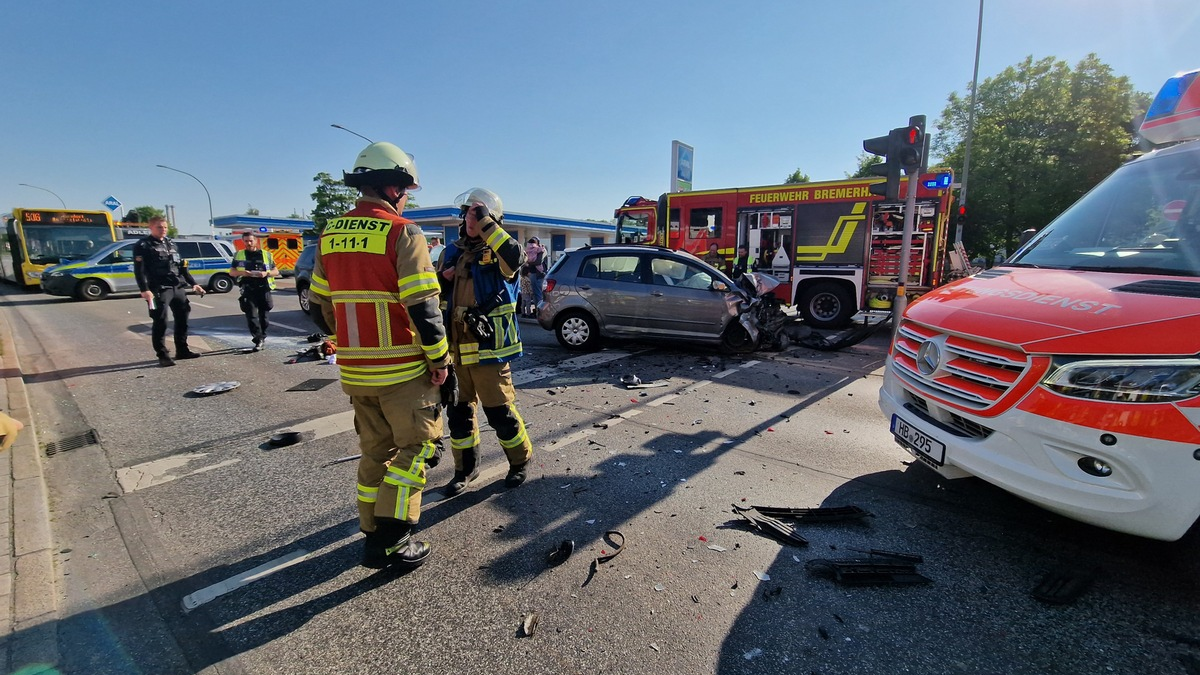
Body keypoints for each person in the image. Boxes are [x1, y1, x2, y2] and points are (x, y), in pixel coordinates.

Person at [309, 141, 450, 570]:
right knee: (420, 450)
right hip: (403, 372)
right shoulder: (402, 232)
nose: (406, 198)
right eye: (406, 190)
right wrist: (440, 361)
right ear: (392, 186)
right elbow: (424, 308)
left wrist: (350, 340)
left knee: (376, 452)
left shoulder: (330, 235)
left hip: (356, 373)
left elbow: (318, 307)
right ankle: (393, 539)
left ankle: (371, 533)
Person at [438, 187, 533, 496]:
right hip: (455, 349)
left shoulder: (500, 251)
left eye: (477, 213)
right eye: (467, 212)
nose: (470, 218)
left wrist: (487, 223)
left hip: (490, 349)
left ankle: (519, 462)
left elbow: (515, 258)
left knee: (499, 413)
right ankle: (465, 470)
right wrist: (442, 280)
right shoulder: (450, 252)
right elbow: (432, 297)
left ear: (492, 219)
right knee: (459, 414)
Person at [133, 216, 206, 367]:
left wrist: (194, 284)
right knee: (161, 321)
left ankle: (182, 350)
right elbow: (138, 271)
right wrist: (144, 290)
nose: (163, 230)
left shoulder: (171, 243)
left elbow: (181, 267)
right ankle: (163, 355)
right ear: (151, 228)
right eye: (160, 227)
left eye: (165, 227)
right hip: (159, 288)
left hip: (177, 287)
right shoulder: (143, 245)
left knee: (182, 319)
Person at [229, 232, 279, 351]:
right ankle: (258, 339)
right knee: (251, 316)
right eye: (246, 241)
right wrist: (243, 273)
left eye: (251, 241)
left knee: (264, 317)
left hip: (263, 288)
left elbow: (276, 271)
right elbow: (232, 272)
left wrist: (266, 273)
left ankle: (262, 336)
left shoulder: (266, 255)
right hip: (248, 288)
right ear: (243, 241)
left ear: (256, 241)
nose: (249, 243)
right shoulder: (239, 255)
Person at [522, 237, 547, 316]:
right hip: (535, 274)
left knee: (538, 294)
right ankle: (537, 311)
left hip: (538, 274)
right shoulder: (539, 250)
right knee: (535, 294)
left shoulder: (542, 250)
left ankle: (540, 312)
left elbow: (538, 261)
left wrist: (529, 262)